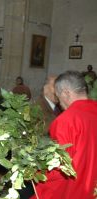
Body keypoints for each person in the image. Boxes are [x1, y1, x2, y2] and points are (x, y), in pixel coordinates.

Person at [31, 71, 97, 199]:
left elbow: (60, 167)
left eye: (58, 96)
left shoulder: (66, 120)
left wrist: (34, 170)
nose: (59, 103)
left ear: (66, 93)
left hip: (77, 190)